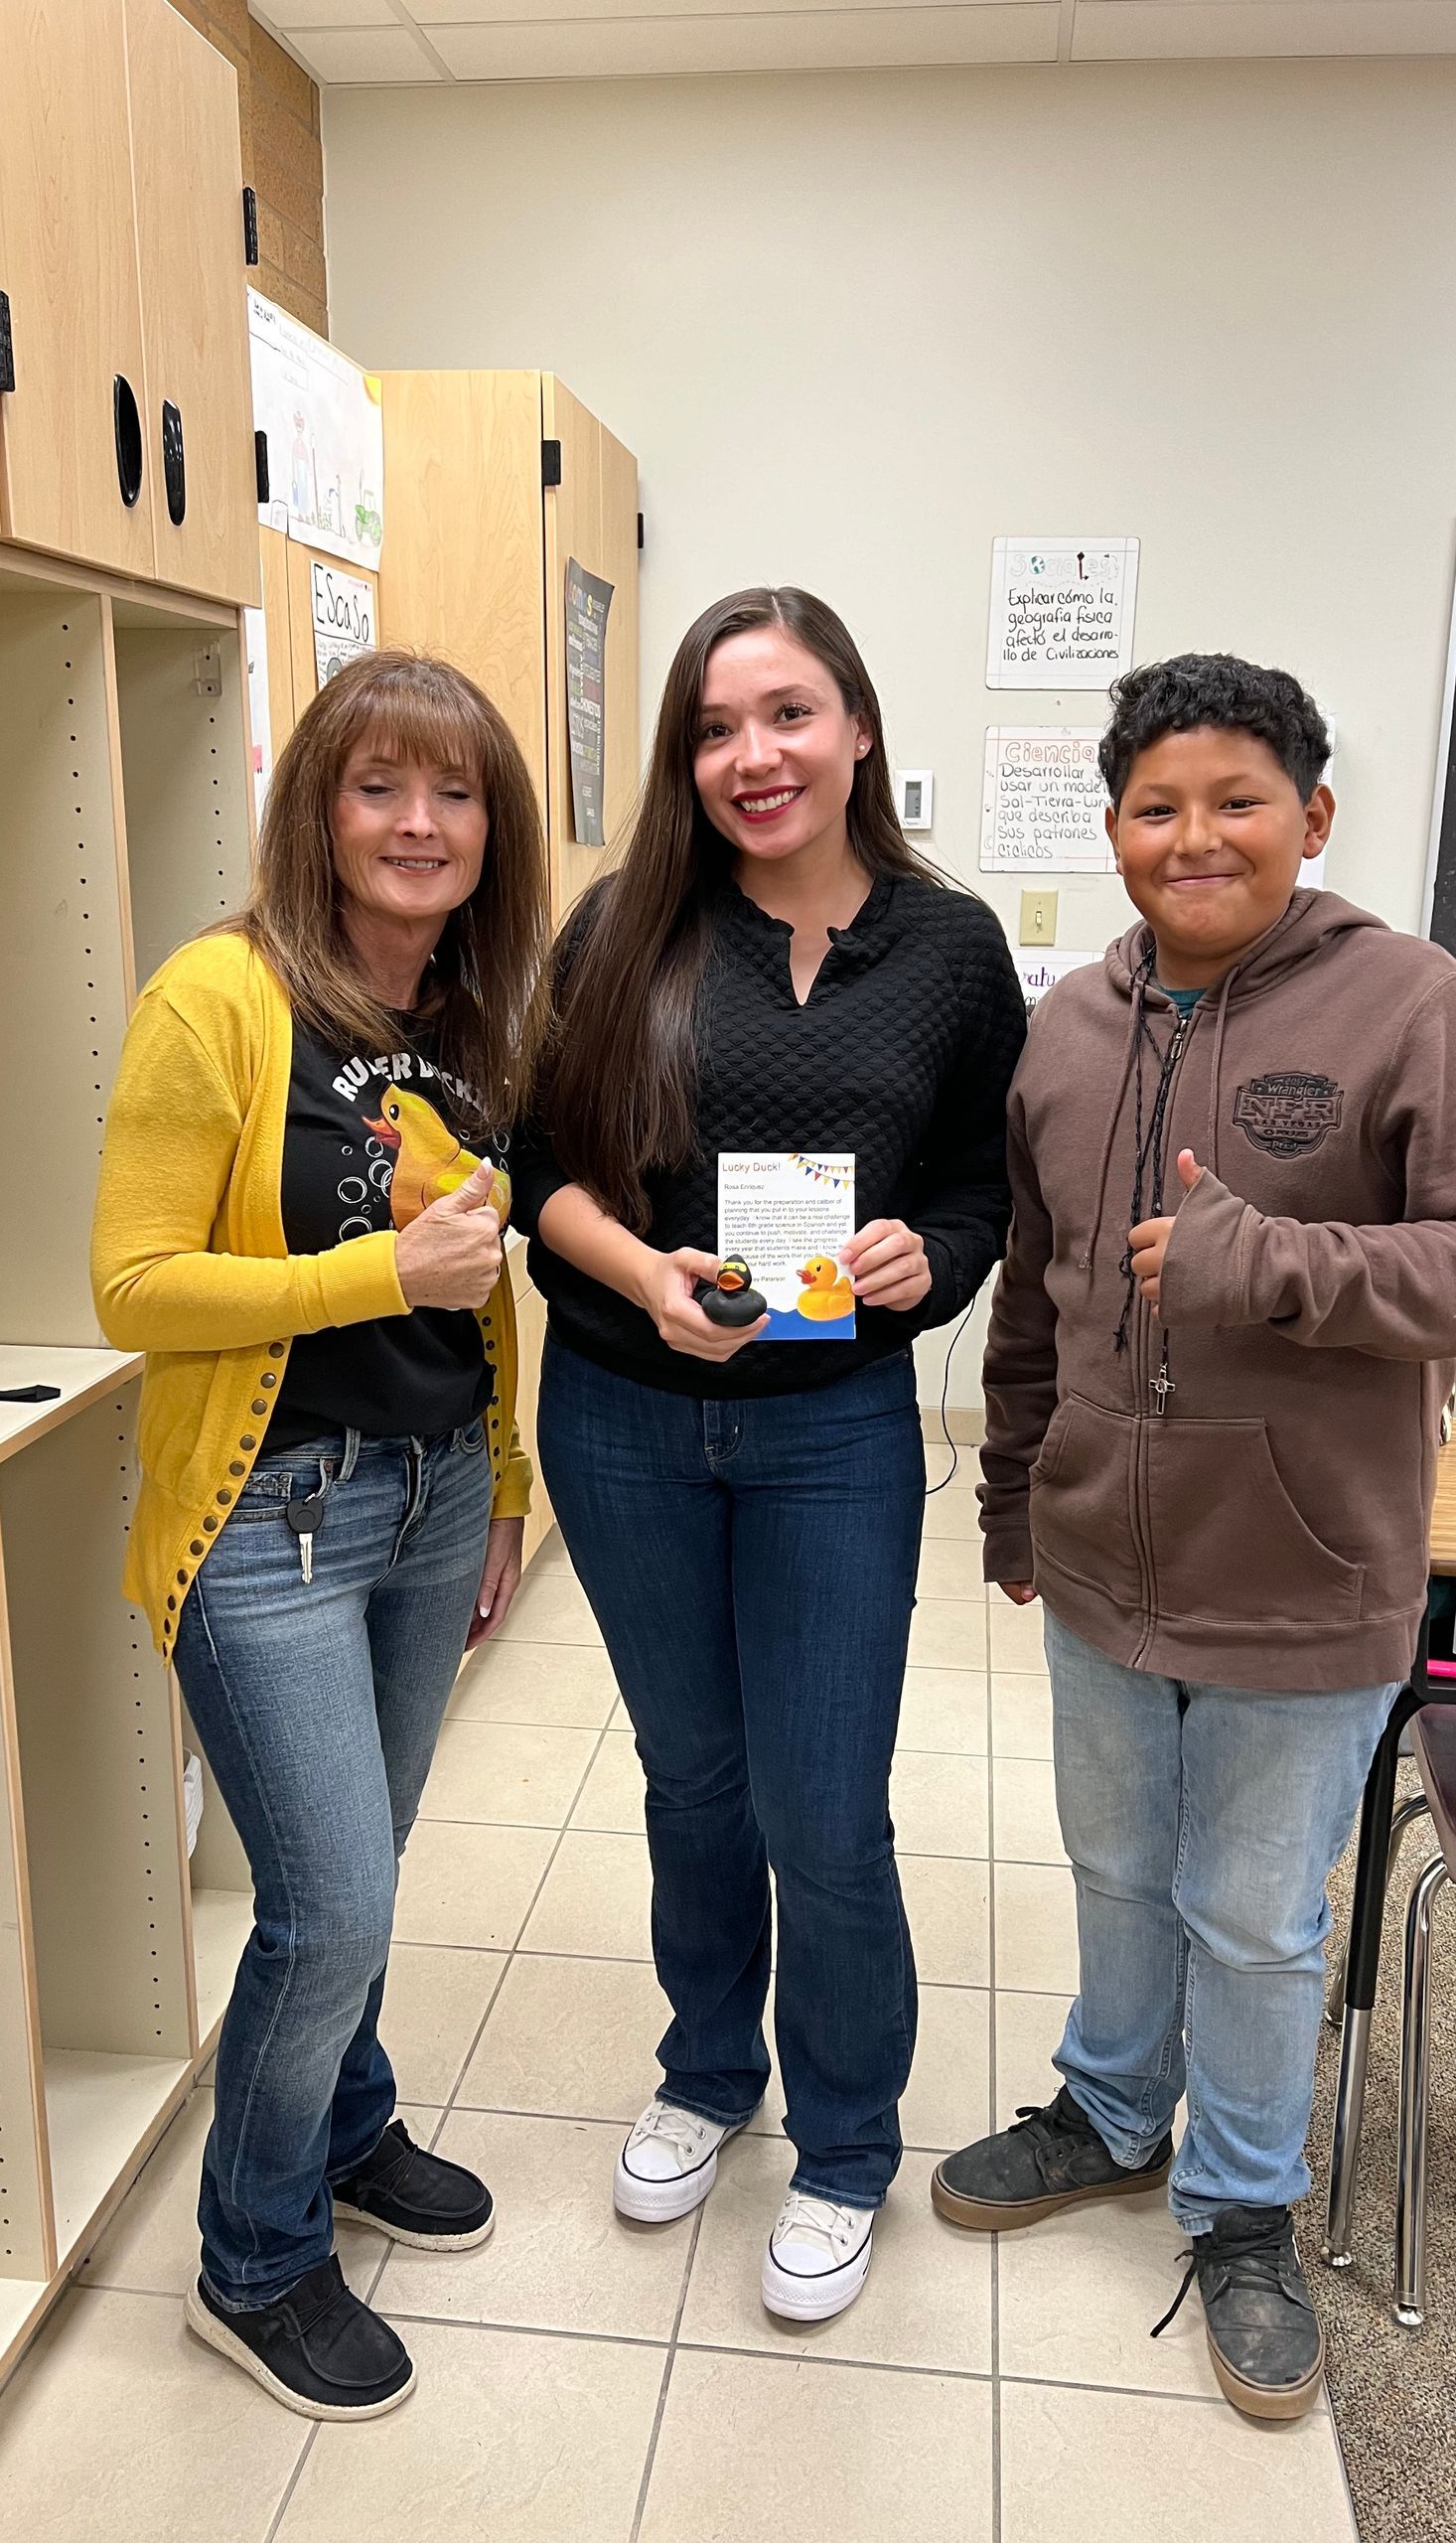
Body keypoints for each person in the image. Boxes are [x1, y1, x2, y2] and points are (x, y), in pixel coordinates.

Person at [932, 654, 1456, 2418]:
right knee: (1121, 1870)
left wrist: (1272, 1265)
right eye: (1156, 806)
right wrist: (1010, 1493)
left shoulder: (1412, 1004)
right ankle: (1117, 2113)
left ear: (1314, 816)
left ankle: (1240, 2209)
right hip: (1102, 1557)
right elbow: (1045, 1300)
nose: (1194, 837)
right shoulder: (1069, 1024)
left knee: (1257, 1914)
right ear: (1114, 824)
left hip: (1307, 1567)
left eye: (1237, 802)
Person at [513, 587, 1025, 2322]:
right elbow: (542, 1172)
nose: (756, 758)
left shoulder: (950, 954)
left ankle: (850, 2144)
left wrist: (926, 1262)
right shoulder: (625, 928)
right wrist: (645, 1277)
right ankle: (709, 2070)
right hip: (624, 1411)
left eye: (790, 715)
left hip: (833, 1433)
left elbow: (979, 1184)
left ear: (859, 729)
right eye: (719, 728)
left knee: (825, 1803)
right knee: (692, 1777)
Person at [90, 651, 548, 2421]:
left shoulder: (465, 1013)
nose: (419, 824)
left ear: (488, 829)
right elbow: (131, 1285)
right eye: (380, 788)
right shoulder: (217, 998)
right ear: (320, 810)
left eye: (453, 794)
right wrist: (380, 1267)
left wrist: (502, 1486)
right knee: (328, 1903)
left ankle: (348, 2133)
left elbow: (482, 1299)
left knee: (364, 1879)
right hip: (269, 1518)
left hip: (431, 1505)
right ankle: (255, 2262)